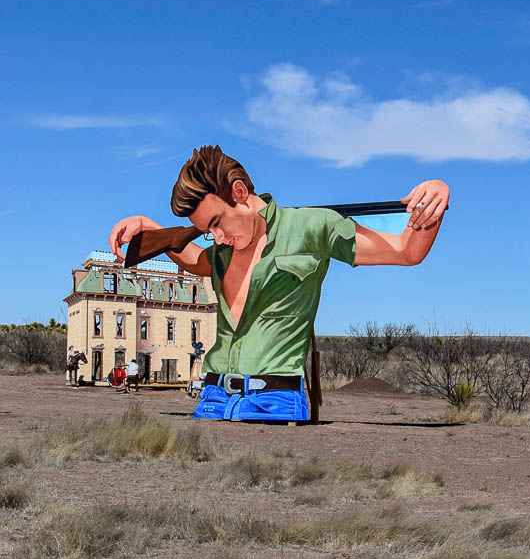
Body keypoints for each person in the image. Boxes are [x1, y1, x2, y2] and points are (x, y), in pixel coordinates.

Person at [107, 146, 448, 421]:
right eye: (206, 231)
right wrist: (149, 228)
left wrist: (435, 196)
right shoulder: (221, 251)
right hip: (211, 401)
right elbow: (195, 260)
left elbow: (405, 251)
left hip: (275, 404)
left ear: (239, 193)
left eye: (216, 222)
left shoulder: (312, 227)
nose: (217, 237)